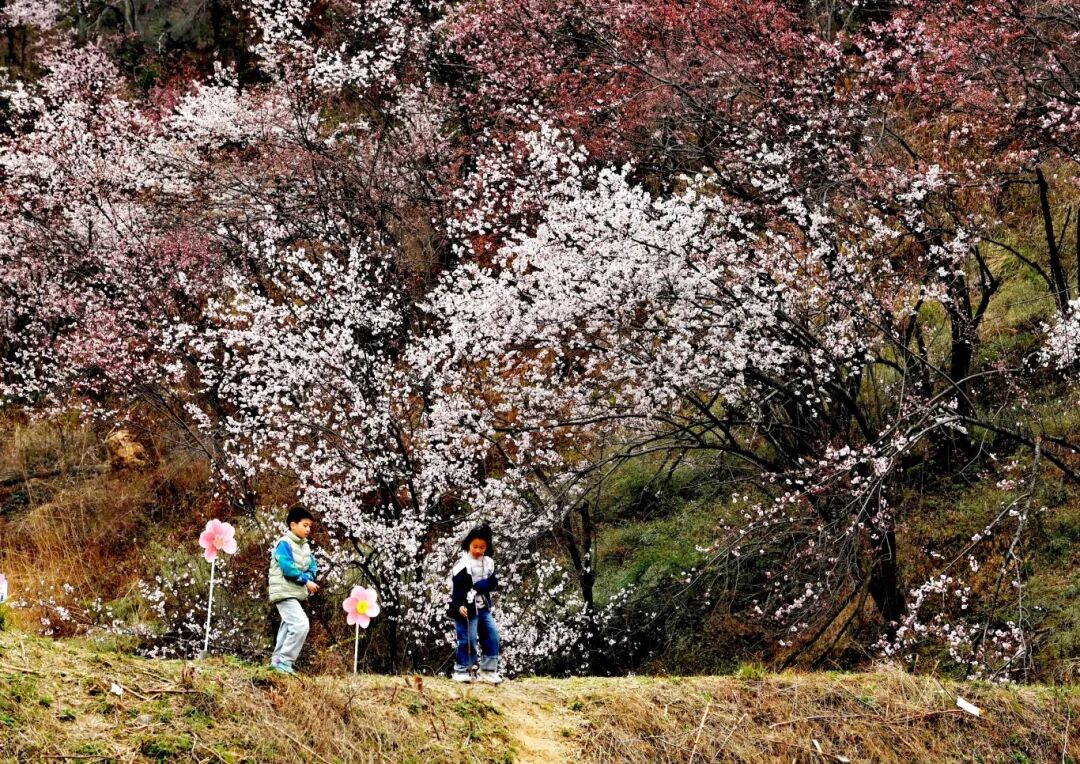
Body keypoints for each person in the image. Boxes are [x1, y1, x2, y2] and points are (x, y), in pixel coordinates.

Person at [448, 524, 503, 684]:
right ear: (468, 545)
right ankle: (463, 670)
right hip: (467, 608)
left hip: (483, 607)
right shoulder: (462, 565)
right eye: (475, 547)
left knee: (492, 635)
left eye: (482, 547)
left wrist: (481, 586)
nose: (478, 550)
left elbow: (493, 582)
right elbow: (457, 590)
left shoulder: (489, 563)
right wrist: (459, 606)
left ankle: (488, 670)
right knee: (468, 639)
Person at [268, 505, 319, 675]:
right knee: (300, 625)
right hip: (284, 592)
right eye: (305, 525)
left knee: (288, 626)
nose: (308, 529)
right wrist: (306, 581)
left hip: (293, 593)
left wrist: (310, 577)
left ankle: (276, 663)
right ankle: (285, 661)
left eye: (310, 526)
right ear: (293, 525)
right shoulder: (284, 543)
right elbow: (287, 568)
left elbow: (312, 565)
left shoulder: (305, 546)